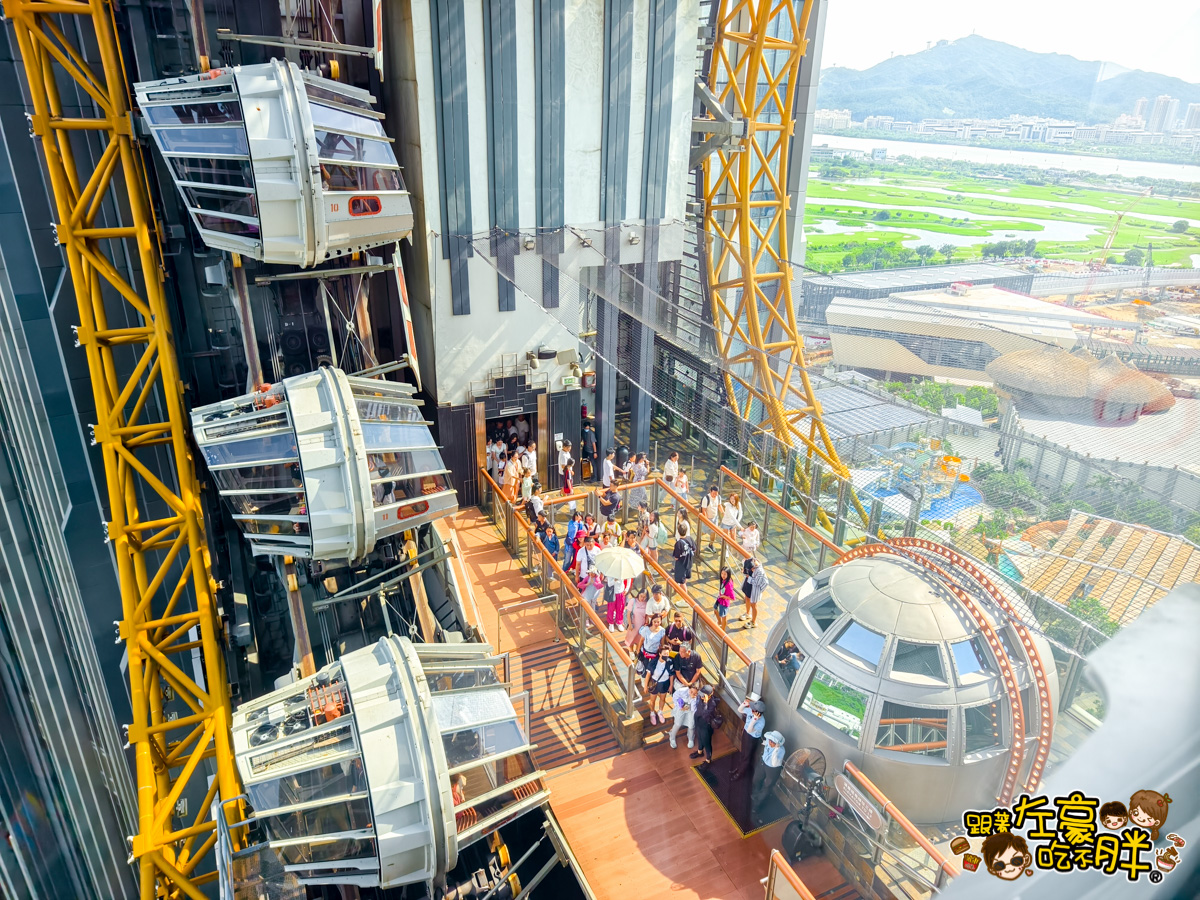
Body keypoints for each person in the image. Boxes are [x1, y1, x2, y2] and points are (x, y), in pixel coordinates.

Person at [730, 698, 766, 781]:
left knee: (747, 756)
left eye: (753, 709)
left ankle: (740, 773)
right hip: (746, 733)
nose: (751, 709)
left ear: (757, 712)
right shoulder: (750, 711)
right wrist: (744, 704)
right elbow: (740, 710)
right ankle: (739, 768)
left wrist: (754, 720)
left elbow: (750, 730)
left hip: (752, 738)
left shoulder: (761, 722)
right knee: (743, 752)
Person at [751, 731, 786, 810]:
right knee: (756, 778)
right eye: (770, 740)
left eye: (772, 741)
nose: (770, 742)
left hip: (773, 768)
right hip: (763, 762)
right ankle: (755, 793)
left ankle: (757, 804)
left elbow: (774, 762)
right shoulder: (768, 742)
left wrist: (776, 750)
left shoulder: (781, 751)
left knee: (767, 786)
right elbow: (765, 742)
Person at [646, 646, 675, 724]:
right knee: (652, 700)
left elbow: (671, 674)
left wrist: (671, 685)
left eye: (667, 654)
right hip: (654, 683)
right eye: (664, 654)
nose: (666, 655)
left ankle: (660, 712)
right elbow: (648, 674)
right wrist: (645, 686)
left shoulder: (669, 662)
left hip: (665, 683)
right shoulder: (653, 662)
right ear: (660, 654)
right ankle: (652, 713)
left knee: (663, 698)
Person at [691, 685, 719, 764]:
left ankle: (708, 760)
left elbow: (705, 714)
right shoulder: (700, 697)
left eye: (703, 695)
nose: (701, 696)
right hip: (698, 721)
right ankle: (700, 751)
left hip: (705, 725)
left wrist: (705, 703)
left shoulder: (712, 703)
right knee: (699, 737)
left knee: (706, 742)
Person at [668, 682, 700, 750]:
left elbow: (694, 708)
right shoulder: (681, 691)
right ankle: (672, 736)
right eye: (691, 691)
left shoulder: (697, 697)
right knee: (678, 723)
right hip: (681, 708)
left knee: (691, 725)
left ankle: (691, 738)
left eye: (694, 693)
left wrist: (693, 699)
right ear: (689, 688)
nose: (692, 694)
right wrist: (679, 706)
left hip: (691, 710)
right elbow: (675, 696)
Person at [744, 557, 768, 629]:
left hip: (755, 589)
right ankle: (747, 613)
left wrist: (749, 577)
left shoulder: (760, 571)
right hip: (749, 586)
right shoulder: (750, 561)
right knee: (747, 598)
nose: (751, 570)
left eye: (752, 569)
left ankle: (753, 622)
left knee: (754, 605)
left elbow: (757, 582)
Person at [672, 523, 697, 589]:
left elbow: (676, 557)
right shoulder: (690, 538)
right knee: (685, 578)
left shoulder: (678, 543)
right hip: (689, 563)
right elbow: (694, 550)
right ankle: (680, 589)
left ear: (678, 532)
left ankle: (685, 596)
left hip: (681, 565)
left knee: (682, 583)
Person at [699, 485, 722, 552]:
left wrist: (723, 512)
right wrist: (706, 521)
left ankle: (710, 545)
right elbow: (704, 510)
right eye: (713, 493)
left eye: (716, 493)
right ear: (710, 491)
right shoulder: (706, 498)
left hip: (715, 518)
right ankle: (696, 541)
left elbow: (719, 505)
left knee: (713, 532)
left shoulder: (718, 497)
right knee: (703, 532)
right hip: (707, 518)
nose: (715, 495)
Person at [715, 566, 735, 631]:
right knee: (715, 609)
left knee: (724, 617)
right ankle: (719, 622)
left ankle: (723, 630)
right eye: (722, 574)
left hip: (724, 602)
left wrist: (724, 596)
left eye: (724, 574)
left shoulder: (728, 584)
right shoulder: (724, 581)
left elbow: (732, 597)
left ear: (728, 574)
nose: (723, 575)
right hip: (720, 599)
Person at [559, 440, 575, 508]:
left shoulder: (567, 452)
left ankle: (561, 494)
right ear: (564, 447)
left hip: (568, 472)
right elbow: (563, 466)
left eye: (570, 447)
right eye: (568, 447)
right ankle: (565, 499)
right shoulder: (562, 454)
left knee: (565, 485)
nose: (569, 449)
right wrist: (569, 471)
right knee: (566, 485)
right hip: (564, 473)